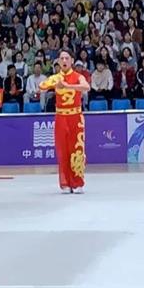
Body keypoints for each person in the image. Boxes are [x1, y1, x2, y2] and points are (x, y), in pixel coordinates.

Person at [40, 49, 91, 194]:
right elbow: (42, 86)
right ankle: (65, 183)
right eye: (61, 58)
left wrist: (69, 86)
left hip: (76, 117)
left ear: (72, 61)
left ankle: (78, 182)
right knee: (62, 150)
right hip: (61, 117)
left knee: (77, 150)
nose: (64, 61)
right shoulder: (56, 78)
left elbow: (86, 87)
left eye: (67, 58)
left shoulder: (78, 76)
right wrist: (52, 83)